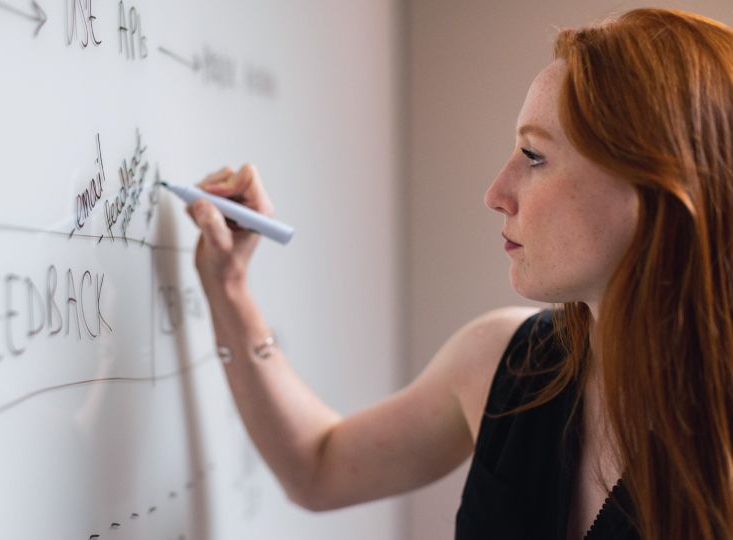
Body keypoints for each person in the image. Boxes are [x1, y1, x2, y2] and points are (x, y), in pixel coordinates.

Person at [185, 8, 733, 540]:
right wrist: (229, 288)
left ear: (653, 188)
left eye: (533, 155)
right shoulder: (505, 364)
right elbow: (318, 467)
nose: (496, 193)